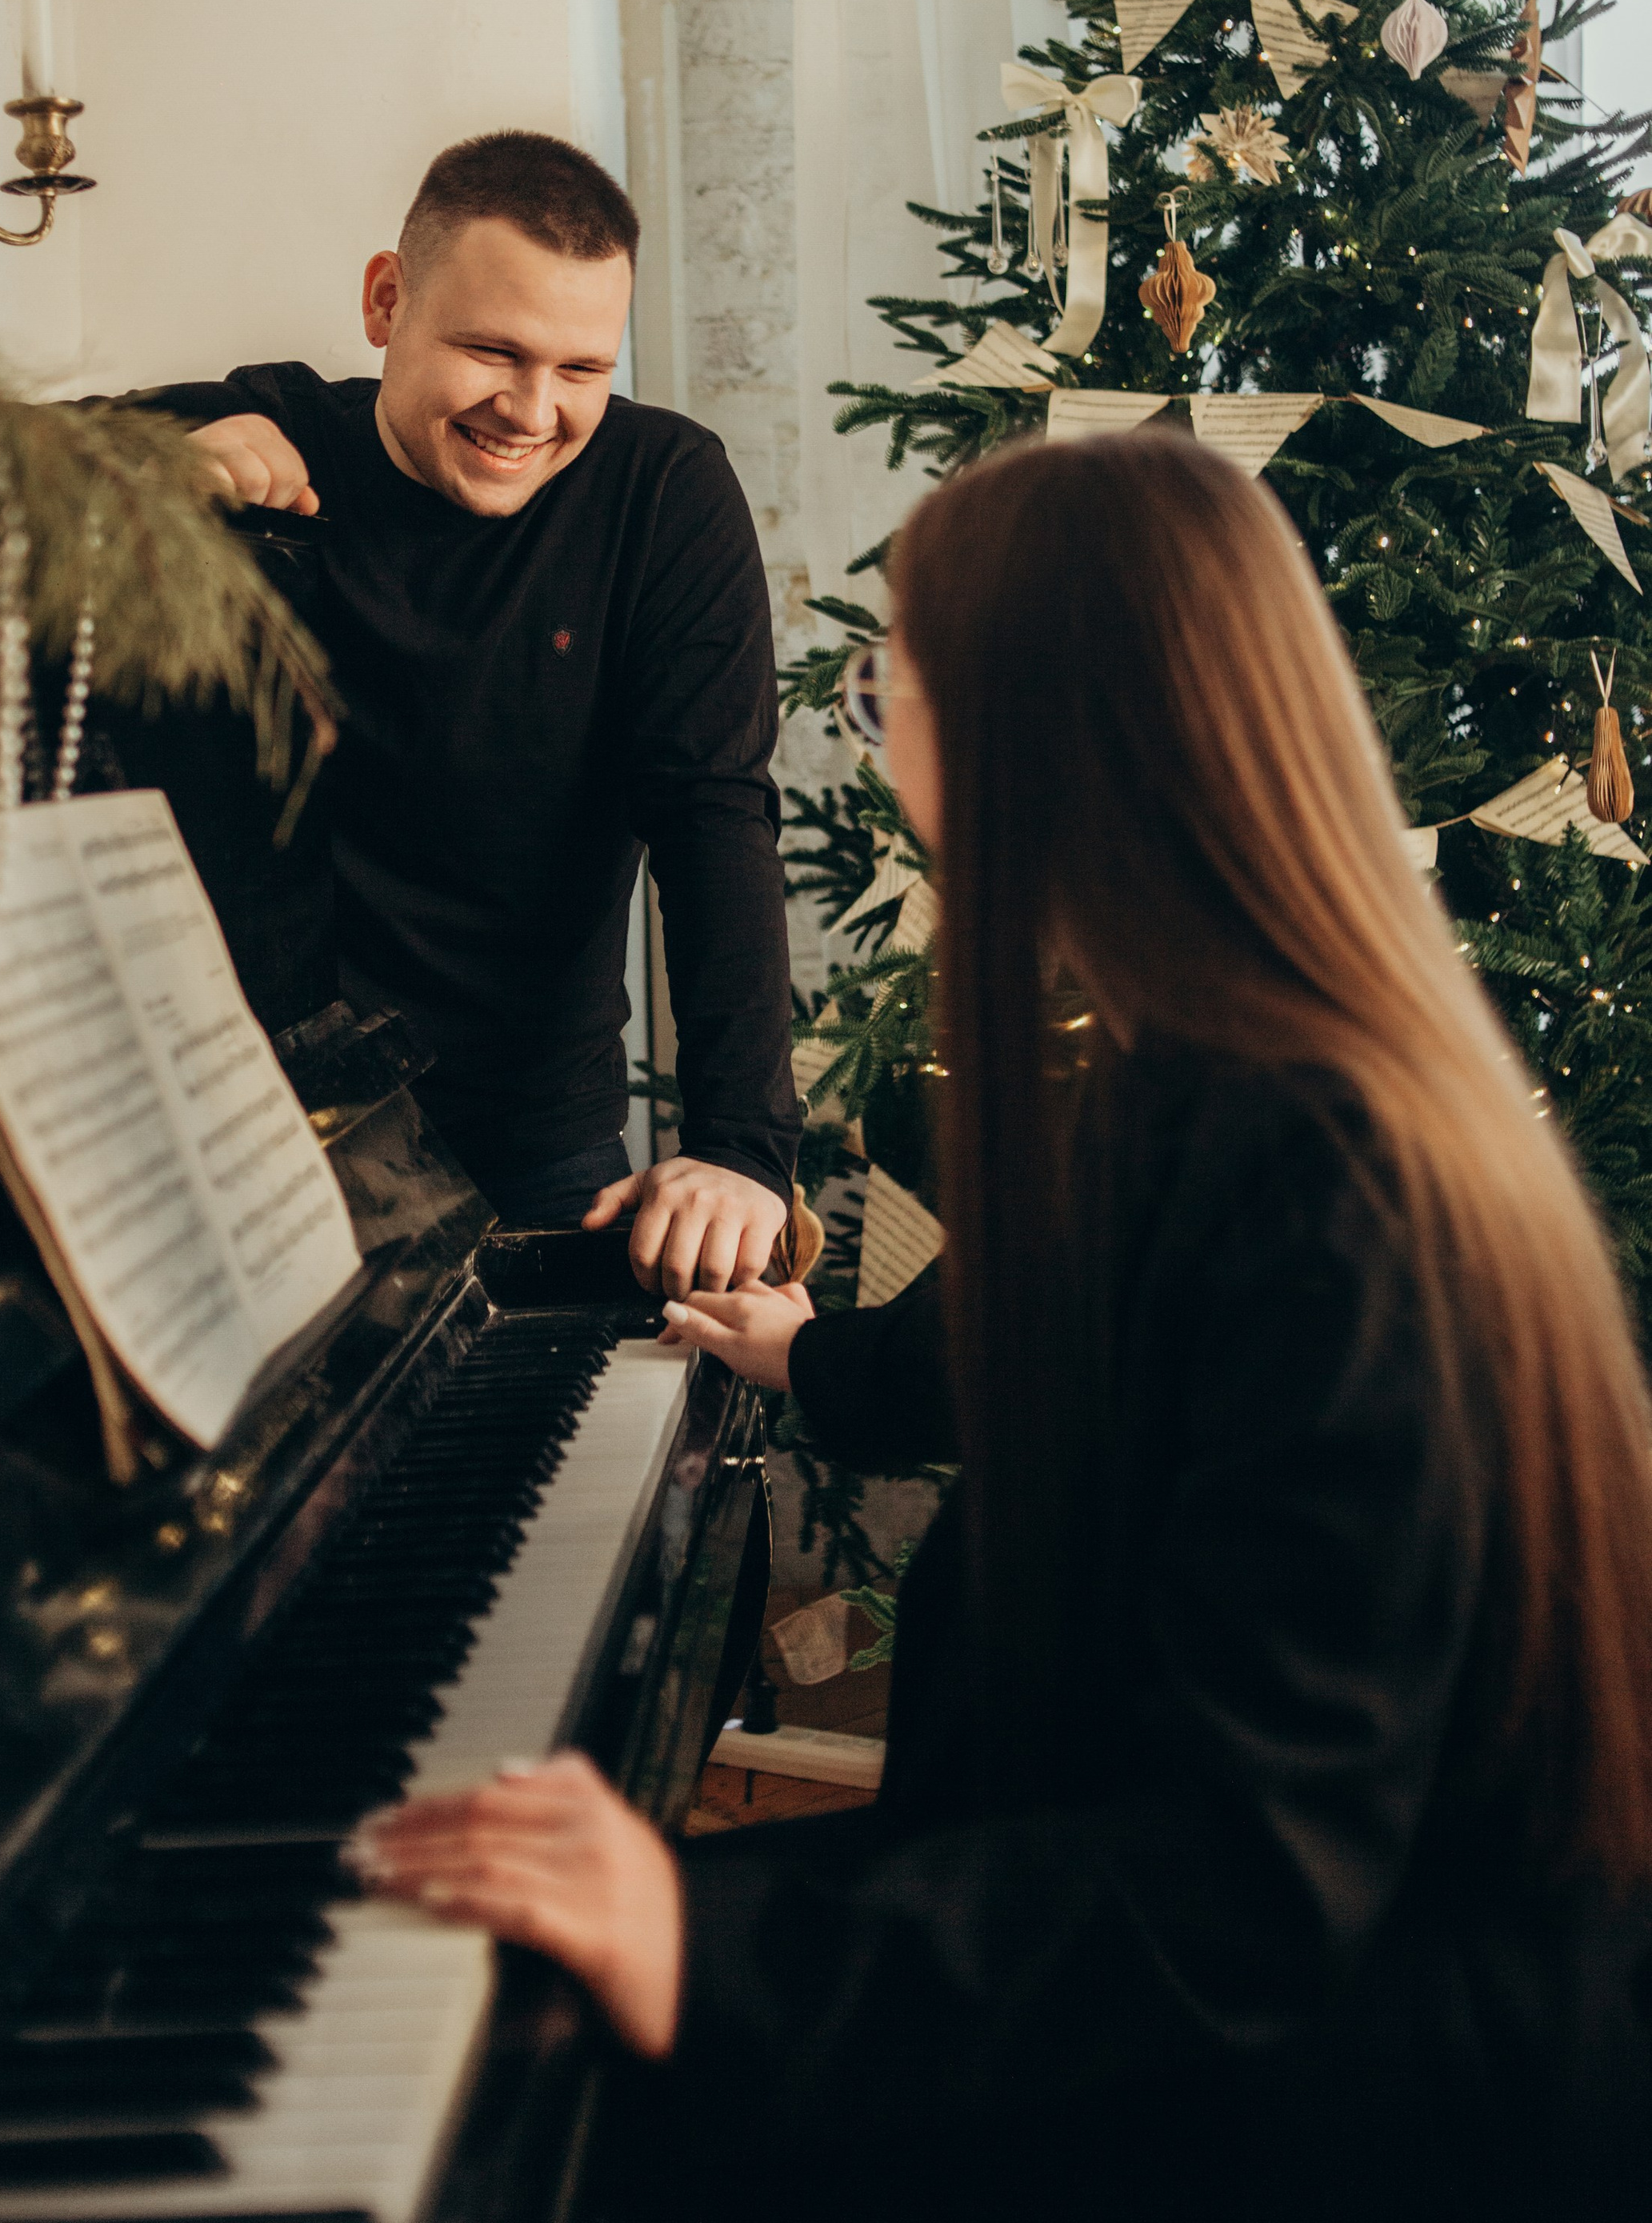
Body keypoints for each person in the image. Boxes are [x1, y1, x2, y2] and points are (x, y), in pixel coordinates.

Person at [354, 432, 1652, 2219]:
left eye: (902, 668)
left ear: (1038, 724)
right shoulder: (1202, 1073)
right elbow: (1017, 1348)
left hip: (1340, 2093)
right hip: (1198, 1994)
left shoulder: (1320, 1168)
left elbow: (1255, 1885)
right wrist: (804, 1352)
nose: (879, 713)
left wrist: (705, 1945)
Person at [141, 130, 798, 1297]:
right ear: (386, 302)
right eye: (492, 350)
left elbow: (714, 821)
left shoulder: (665, 492)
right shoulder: (282, 434)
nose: (532, 410)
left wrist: (741, 1149)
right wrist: (139, 463)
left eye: (583, 369)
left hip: (535, 1150)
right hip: (250, 1145)